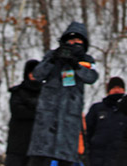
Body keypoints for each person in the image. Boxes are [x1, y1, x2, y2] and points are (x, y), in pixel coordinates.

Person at [27, 22, 99, 166]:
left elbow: (91, 77)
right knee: (40, 158)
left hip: (69, 120)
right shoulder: (52, 56)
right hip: (47, 118)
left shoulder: (86, 61)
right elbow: (37, 74)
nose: (73, 44)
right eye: (70, 40)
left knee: (64, 158)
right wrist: (53, 60)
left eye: (78, 41)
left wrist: (75, 65)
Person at [4, 59, 43, 166]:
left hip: (38, 144)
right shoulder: (18, 91)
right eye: (31, 72)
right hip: (17, 143)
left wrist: (30, 105)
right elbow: (18, 111)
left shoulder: (46, 93)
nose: (34, 75)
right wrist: (36, 110)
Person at [85, 77, 127, 166]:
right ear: (109, 91)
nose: (117, 90)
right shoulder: (97, 108)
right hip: (97, 158)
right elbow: (87, 131)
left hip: (120, 158)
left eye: (120, 88)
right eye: (114, 88)